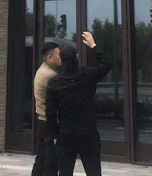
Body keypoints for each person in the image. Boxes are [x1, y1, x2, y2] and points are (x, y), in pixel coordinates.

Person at [45, 32, 111, 176]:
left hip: (66, 134)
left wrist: (53, 135)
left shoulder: (54, 83)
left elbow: (50, 112)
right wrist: (93, 46)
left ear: (61, 61)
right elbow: (106, 65)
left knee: (65, 171)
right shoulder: (87, 74)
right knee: (94, 171)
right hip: (88, 133)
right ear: (76, 58)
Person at [32, 42, 61, 176]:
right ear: (50, 58)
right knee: (51, 160)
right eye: (59, 55)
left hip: (43, 120)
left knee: (42, 157)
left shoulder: (43, 69)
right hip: (49, 121)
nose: (61, 58)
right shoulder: (50, 75)